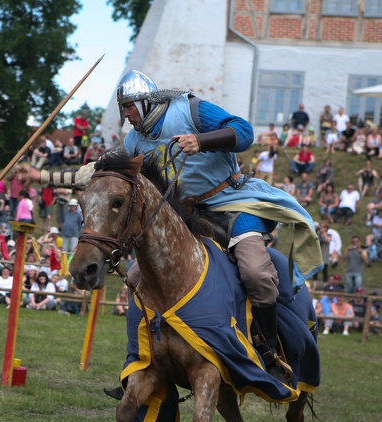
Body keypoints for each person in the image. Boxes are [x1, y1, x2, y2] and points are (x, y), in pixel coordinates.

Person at [115, 69, 321, 383]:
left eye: (129, 105)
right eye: (122, 107)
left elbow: (244, 131)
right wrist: (50, 178)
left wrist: (201, 140)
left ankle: (268, 353)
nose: (125, 113)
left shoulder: (189, 109)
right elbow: (120, 178)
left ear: (144, 102)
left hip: (232, 204)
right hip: (185, 216)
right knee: (135, 277)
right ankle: (143, 365)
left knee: (256, 272)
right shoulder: (133, 142)